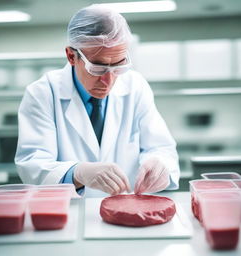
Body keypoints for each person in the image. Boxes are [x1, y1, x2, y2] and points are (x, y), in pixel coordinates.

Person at [15, 4, 180, 197]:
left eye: (118, 67)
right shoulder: (42, 93)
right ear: (71, 56)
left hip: (126, 212)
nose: (108, 81)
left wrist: (159, 164)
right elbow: (33, 164)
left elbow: (160, 148)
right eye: (97, 69)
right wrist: (78, 173)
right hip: (70, 215)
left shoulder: (135, 86)